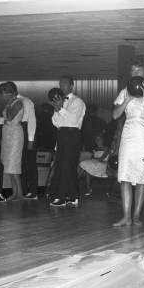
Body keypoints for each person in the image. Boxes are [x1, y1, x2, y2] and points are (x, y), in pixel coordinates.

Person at [112, 56, 144, 226]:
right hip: (129, 135)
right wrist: (128, 99)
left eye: (138, 70)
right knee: (125, 176)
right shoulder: (124, 91)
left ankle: (136, 216)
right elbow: (115, 115)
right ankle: (126, 217)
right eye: (132, 70)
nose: (134, 73)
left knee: (141, 178)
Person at [49, 76, 85, 207]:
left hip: (73, 134)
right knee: (62, 165)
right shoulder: (59, 101)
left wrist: (60, 108)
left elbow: (73, 120)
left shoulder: (77, 101)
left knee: (66, 166)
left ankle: (61, 197)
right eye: (60, 84)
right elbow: (55, 122)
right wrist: (58, 108)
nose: (62, 86)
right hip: (62, 134)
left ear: (71, 86)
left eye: (65, 84)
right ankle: (73, 196)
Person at [0, 82, 24, 201]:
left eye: (3, 93)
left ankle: (20, 194)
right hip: (7, 134)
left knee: (14, 164)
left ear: (10, 92)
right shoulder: (10, 103)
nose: (2, 95)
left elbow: (9, 117)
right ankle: (15, 193)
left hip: (15, 135)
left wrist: (8, 105)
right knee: (8, 165)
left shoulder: (18, 103)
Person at [17, 92, 38, 200]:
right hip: (20, 132)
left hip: (27, 133)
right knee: (22, 165)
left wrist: (30, 140)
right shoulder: (15, 102)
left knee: (30, 164)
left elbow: (32, 121)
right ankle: (24, 191)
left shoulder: (26, 101)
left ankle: (33, 192)